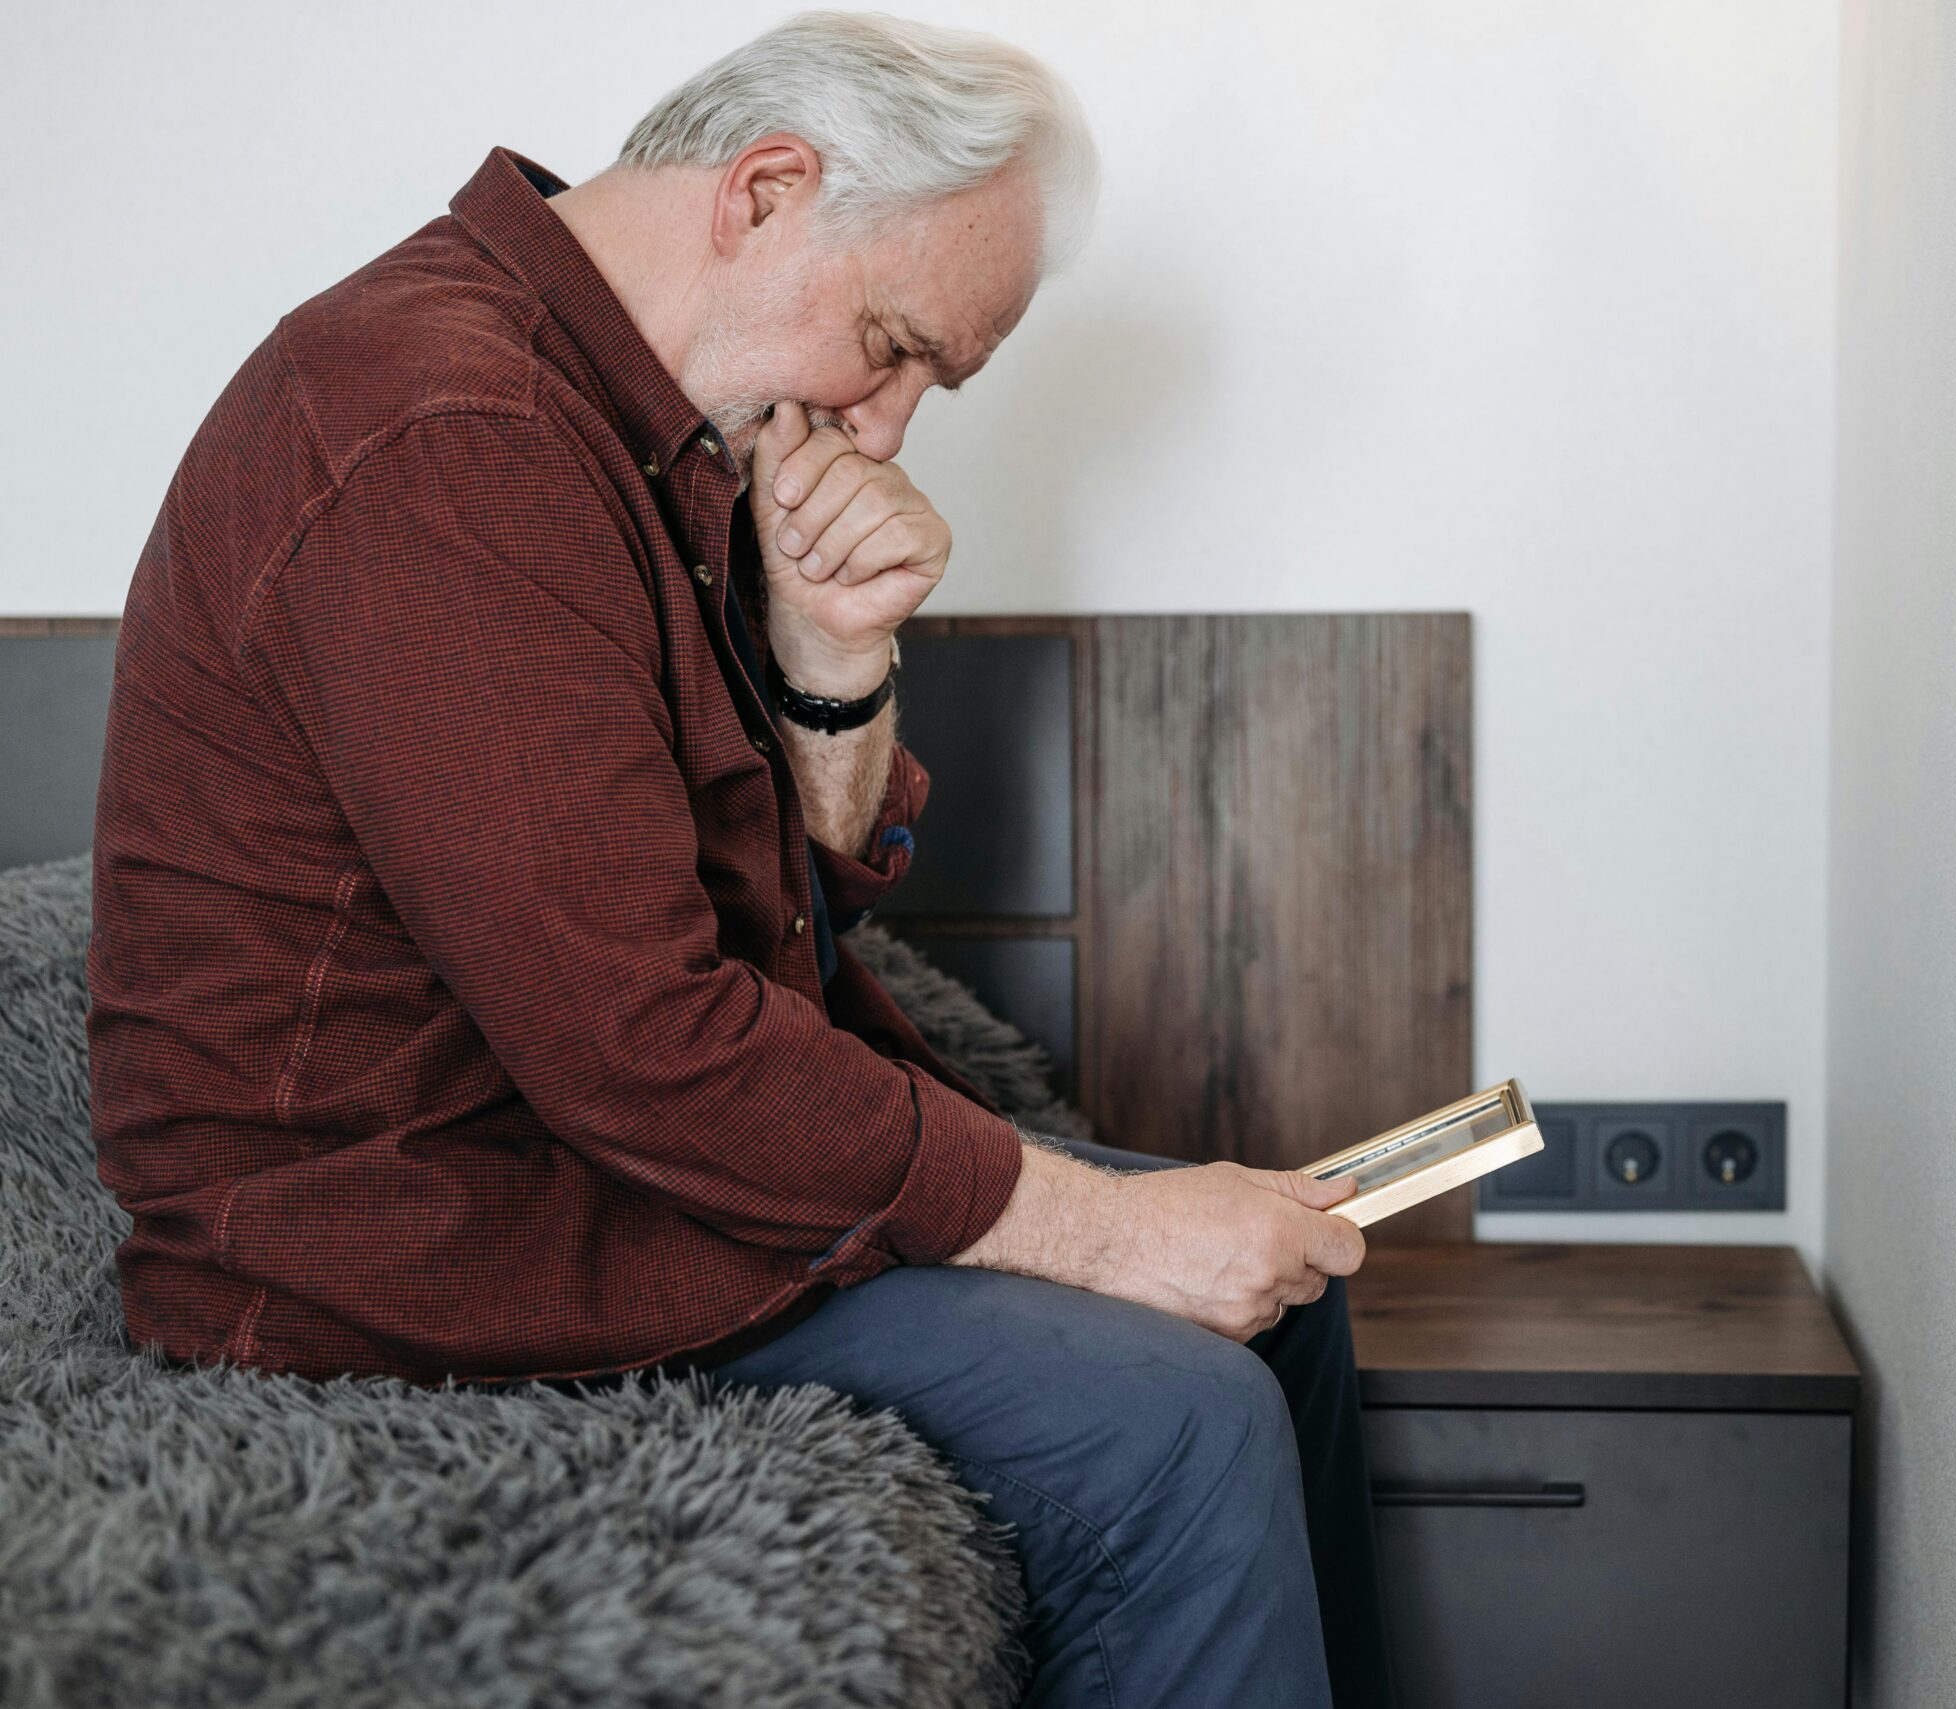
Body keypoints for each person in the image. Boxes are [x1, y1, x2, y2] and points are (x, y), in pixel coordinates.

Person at [84, 14, 1391, 1707]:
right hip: (416, 1236)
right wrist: (1104, 1235)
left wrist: (832, 670)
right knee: (1183, 1411)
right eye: (894, 344)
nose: (894, 428)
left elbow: (763, 918)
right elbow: (645, 1044)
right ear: (767, 190)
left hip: (608, 1163)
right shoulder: (449, 433)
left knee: (1289, 1288)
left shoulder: (639, 421)